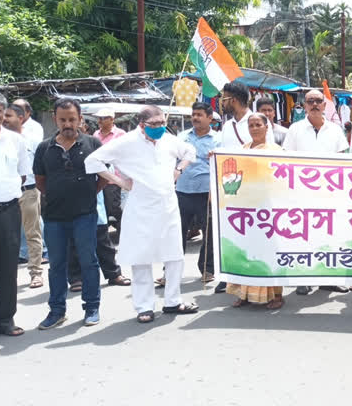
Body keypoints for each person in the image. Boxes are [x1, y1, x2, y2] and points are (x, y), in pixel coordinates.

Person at [85, 105, 198, 323]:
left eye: (162, 123)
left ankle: (173, 301)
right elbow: (92, 161)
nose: (159, 128)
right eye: (154, 125)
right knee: (141, 257)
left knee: (175, 255)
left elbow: (190, 152)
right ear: (141, 125)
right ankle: (144, 306)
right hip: (140, 206)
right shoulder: (126, 142)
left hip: (168, 205)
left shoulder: (168, 139)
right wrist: (120, 181)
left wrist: (179, 170)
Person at [33, 98, 104, 329]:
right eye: (63, 119)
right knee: (56, 265)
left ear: (80, 119)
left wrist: (87, 193)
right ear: (55, 119)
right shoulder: (44, 148)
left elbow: (104, 176)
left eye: (72, 119)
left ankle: (92, 307)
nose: (68, 124)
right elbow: (41, 181)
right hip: (54, 217)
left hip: (85, 214)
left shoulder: (93, 144)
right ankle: (57, 310)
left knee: (89, 261)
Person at [283, 89, 350, 295]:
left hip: (329, 193)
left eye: (318, 101)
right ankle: (303, 278)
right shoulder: (294, 130)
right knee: (303, 236)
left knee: (329, 236)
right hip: (302, 193)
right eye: (310, 101)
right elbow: (287, 160)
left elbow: (342, 161)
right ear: (303, 105)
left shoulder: (336, 130)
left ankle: (328, 279)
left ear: (324, 105)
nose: (314, 104)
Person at [226, 113, 285, 309]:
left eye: (258, 124)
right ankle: (244, 292)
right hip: (246, 208)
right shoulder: (242, 149)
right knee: (246, 250)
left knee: (269, 251)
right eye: (251, 125)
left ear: (266, 127)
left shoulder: (276, 150)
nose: (254, 129)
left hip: (268, 208)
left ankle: (276, 295)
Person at [0, 91, 30, 337]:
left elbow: (22, 174)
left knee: (7, 267)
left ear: (4, 114)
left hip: (8, 211)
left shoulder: (16, 141)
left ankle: (4, 321)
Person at [176, 102, 221, 282]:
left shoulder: (219, 140)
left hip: (206, 193)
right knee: (176, 232)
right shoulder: (181, 137)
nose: (195, 118)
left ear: (210, 118)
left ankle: (207, 269)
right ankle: (170, 272)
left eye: (199, 114)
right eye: (193, 114)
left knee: (208, 232)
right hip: (182, 191)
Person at [3, 104, 46, 288]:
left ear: (20, 118)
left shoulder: (33, 140)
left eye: (8, 115)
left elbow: (42, 168)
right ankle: (3, 275)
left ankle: (35, 273)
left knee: (32, 233)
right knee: (4, 237)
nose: (3, 119)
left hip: (28, 191)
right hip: (5, 194)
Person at [68, 191, 130, 288]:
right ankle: (76, 278)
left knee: (102, 240)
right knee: (73, 241)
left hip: (93, 192)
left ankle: (113, 274)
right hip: (70, 197)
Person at [93, 108, 126, 237]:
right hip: (99, 176)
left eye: (103, 118)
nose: (99, 121)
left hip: (114, 177)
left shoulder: (120, 134)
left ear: (112, 119)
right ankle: (103, 236)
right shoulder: (96, 134)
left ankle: (125, 229)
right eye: (99, 118)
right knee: (102, 208)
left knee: (113, 206)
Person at [221, 82, 273, 148]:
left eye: (224, 99)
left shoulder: (261, 122)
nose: (222, 103)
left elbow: (271, 151)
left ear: (233, 100)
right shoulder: (227, 125)